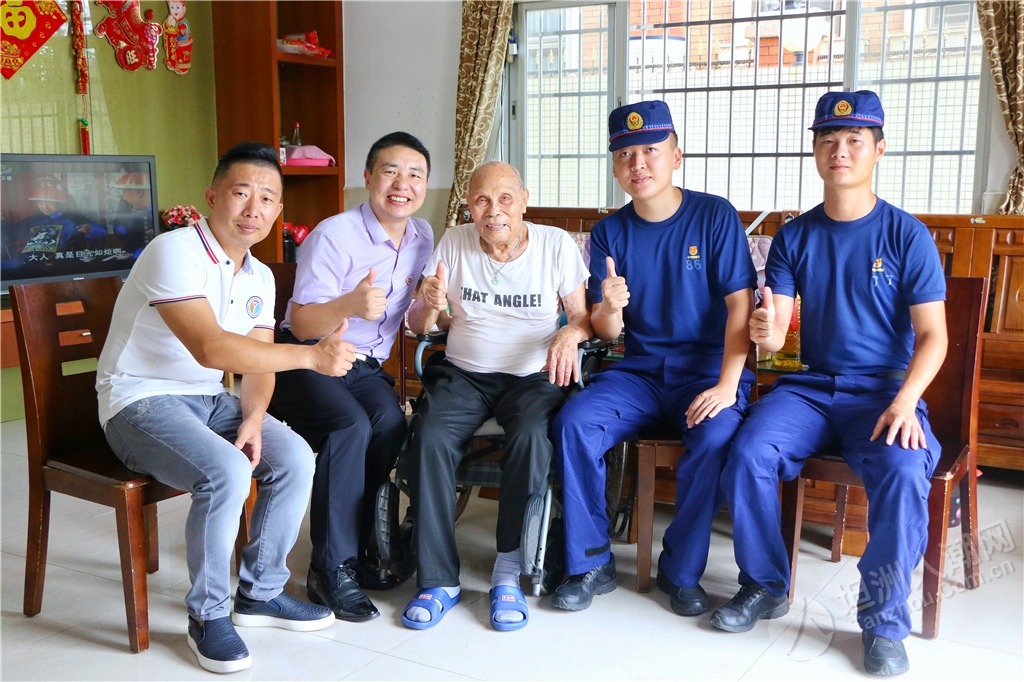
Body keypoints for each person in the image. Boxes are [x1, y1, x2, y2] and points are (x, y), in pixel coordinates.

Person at [97, 142, 357, 674]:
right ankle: (207, 615)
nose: (253, 208)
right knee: (226, 471)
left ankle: (261, 593)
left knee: (295, 457)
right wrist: (311, 356)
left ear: (279, 210)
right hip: (138, 400)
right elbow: (211, 349)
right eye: (241, 193)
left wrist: (255, 417)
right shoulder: (174, 251)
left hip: (209, 398)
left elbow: (257, 365)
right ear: (212, 197)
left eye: (267, 198)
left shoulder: (260, 276)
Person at [713, 90, 947, 678]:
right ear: (816, 151)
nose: (839, 151)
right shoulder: (795, 236)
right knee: (747, 451)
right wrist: (765, 329)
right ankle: (766, 585)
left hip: (884, 391)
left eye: (853, 140)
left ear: (878, 150)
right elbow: (774, 333)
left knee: (902, 470)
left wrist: (906, 402)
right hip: (812, 388)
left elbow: (933, 337)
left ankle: (883, 623)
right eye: (827, 140)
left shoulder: (906, 235)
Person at [551, 100, 756, 615]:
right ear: (614, 166)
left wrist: (727, 385)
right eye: (625, 154)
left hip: (706, 371)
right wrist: (609, 308)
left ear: (676, 156)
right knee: (575, 423)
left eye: (650, 150)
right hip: (640, 374)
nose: (637, 164)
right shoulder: (609, 232)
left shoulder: (714, 216)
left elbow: (741, 307)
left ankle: (681, 571)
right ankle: (590, 561)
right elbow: (608, 330)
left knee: (716, 435)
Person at [401, 161, 591, 631]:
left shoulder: (555, 244)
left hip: (531, 376)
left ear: (524, 200)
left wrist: (570, 335)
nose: (494, 211)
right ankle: (439, 580)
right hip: (464, 374)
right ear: (469, 205)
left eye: (505, 198)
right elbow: (420, 325)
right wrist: (428, 304)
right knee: (428, 436)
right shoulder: (454, 241)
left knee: (531, 436)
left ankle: (508, 568)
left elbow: (582, 317)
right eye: (482, 200)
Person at [269, 131, 434, 622]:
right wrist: (349, 304)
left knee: (390, 423)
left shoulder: (423, 237)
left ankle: (364, 544)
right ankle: (331, 567)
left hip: (363, 366)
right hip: (304, 357)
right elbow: (302, 324)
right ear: (367, 177)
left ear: (425, 184)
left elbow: (416, 316)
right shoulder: (334, 235)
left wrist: (432, 307)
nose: (402, 184)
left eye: (415, 175)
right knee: (350, 426)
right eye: (390, 172)